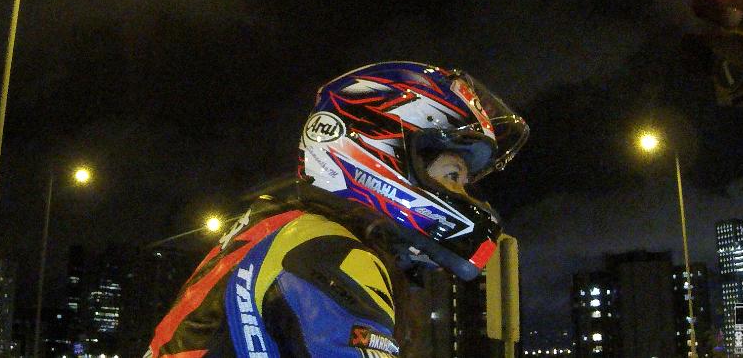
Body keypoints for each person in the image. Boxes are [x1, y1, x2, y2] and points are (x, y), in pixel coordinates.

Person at [146, 61, 528, 358]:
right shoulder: (331, 253)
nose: (461, 194)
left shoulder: (283, 233)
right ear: (385, 152)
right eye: (452, 175)